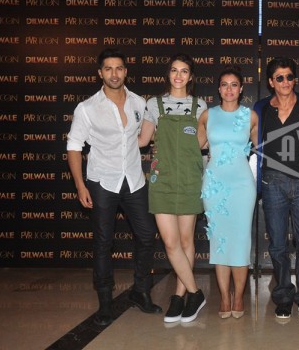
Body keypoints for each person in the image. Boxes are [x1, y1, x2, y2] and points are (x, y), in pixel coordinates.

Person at [66, 48, 161, 326]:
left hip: (134, 180)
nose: (114, 74)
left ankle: (140, 291)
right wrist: (80, 185)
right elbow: (74, 147)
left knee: (147, 236)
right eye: (108, 69)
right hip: (102, 182)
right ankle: (105, 303)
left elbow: (142, 139)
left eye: (119, 68)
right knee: (103, 243)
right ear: (100, 73)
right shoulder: (87, 108)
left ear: (125, 71)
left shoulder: (138, 103)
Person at [138, 53, 208, 323]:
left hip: (189, 179)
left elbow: (202, 144)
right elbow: (142, 140)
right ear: (168, 74)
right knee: (170, 242)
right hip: (162, 180)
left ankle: (179, 296)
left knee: (187, 240)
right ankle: (195, 292)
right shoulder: (153, 105)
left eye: (184, 71)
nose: (179, 75)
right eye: (174, 70)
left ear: (191, 77)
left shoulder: (199, 106)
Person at [253, 57, 299, 320]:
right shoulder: (260, 108)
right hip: (272, 183)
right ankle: (283, 296)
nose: (285, 82)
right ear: (271, 82)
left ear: (295, 79)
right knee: (278, 245)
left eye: (289, 76)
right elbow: (252, 140)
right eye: (279, 77)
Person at [197, 65, 258, 319]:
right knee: (219, 241)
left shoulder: (251, 116)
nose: (229, 89)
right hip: (214, 185)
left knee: (241, 241)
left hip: (242, 185)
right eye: (225, 85)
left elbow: (266, 147)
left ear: (241, 89)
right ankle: (224, 297)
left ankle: (239, 297)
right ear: (219, 89)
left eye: (234, 85)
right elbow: (194, 148)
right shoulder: (207, 115)